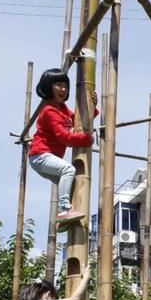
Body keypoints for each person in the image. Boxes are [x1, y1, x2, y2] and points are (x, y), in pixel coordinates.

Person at [28, 68, 96, 229]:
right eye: (58, 85)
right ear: (48, 87)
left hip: (45, 158)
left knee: (69, 183)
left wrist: (93, 106)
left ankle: (64, 221)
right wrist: (87, 139)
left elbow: (79, 118)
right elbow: (64, 137)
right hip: (40, 155)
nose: (63, 90)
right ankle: (64, 209)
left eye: (65, 86)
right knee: (68, 170)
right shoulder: (49, 111)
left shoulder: (63, 108)